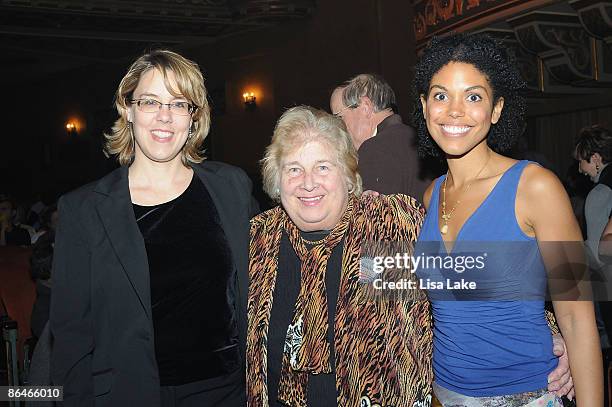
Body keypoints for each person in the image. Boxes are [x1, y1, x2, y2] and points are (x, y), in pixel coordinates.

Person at [50, 50, 255, 406]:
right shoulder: (83, 210)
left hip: (227, 394)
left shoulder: (231, 188)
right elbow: (71, 341)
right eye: (150, 101)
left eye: (179, 104)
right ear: (127, 109)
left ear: (194, 118)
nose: (164, 116)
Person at [414, 33, 602, 405]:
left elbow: (578, 320)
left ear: (496, 109)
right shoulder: (432, 194)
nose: (454, 110)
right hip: (444, 395)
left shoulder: (536, 187)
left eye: (473, 96)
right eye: (440, 95)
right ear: (424, 107)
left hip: (524, 396)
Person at [247, 106, 433, 406]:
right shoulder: (258, 241)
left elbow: (479, 288)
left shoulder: (385, 228)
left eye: (323, 167)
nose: (308, 183)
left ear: (348, 175)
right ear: (277, 181)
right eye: (293, 169)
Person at [330, 74, 432, 202]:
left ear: (366, 107)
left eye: (338, 118)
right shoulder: (420, 141)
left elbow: (375, 220)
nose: (337, 128)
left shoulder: (374, 149)